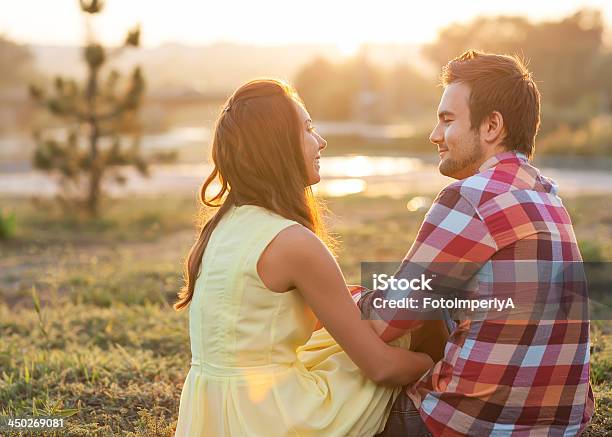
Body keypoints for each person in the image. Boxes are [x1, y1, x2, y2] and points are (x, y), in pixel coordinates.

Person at [173, 79, 435, 436]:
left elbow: (269, 320)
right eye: (309, 128)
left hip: (214, 411)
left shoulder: (220, 229)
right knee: (409, 333)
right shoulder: (293, 242)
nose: (321, 141)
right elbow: (382, 368)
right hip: (274, 418)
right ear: (278, 147)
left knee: (342, 341)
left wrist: (348, 297)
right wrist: (435, 362)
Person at [360, 50, 594, 436]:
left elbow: (386, 321)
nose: (435, 135)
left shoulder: (471, 196)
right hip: (562, 426)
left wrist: (351, 299)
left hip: (472, 425)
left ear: (491, 126)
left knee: (345, 404)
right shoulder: (549, 196)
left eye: (447, 120)